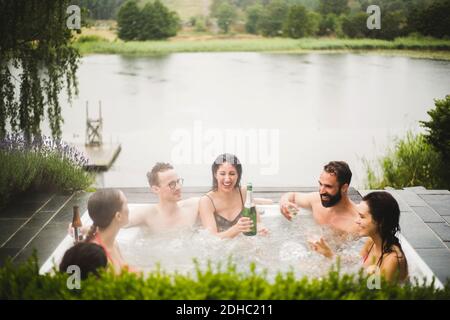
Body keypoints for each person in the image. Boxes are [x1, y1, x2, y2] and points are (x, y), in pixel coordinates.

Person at [309, 191, 408, 283]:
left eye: (362, 217)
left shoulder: (393, 260)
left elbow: (380, 295)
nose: (357, 221)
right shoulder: (372, 242)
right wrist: (329, 254)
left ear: (380, 222)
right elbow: (356, 262)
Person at [199, 153, 271, 239]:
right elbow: (211, 239)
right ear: (215, 175)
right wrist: (236, 229)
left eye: (232, 174)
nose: (227, 179)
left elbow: (258, 223)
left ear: (238, 175)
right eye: (222, 174)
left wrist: (261, 230)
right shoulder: (206, 201)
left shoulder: (244, 193)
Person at [279, 161, 359, 234]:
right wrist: (285, 202)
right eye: (320, 184)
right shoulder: (316, 200)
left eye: (328, 186)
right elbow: (292, 196)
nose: (321, 191)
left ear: (344, 188)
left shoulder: (356, 221)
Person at [125, 162, 199, 232]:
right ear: (156, 189)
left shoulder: (192, 207)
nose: (178, 187)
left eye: (178, 181)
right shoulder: (148, 214)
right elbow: (119, 222)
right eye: (172, 184)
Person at [84, 188, 135, 273]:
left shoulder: (113, 243)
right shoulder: (98, 257)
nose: (129, 209)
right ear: (118, 216)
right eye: (126, 204)